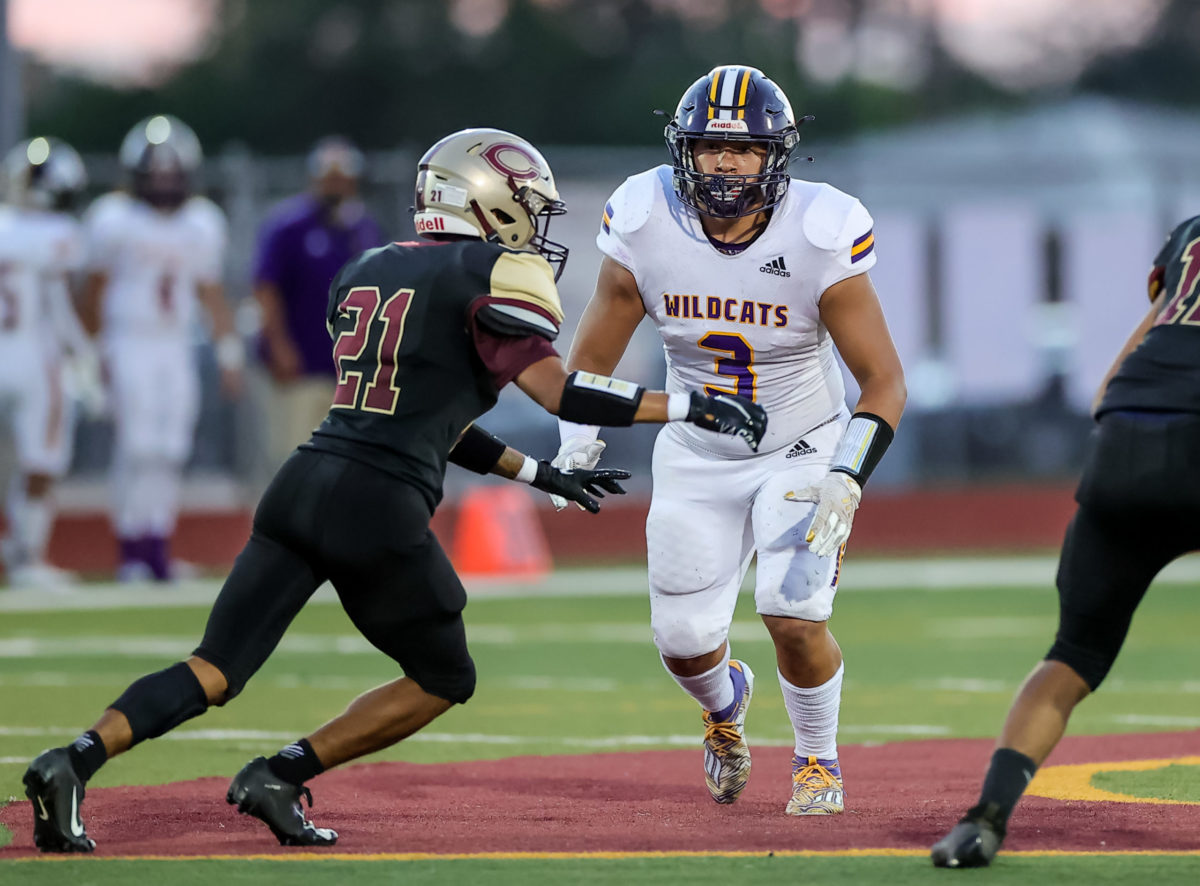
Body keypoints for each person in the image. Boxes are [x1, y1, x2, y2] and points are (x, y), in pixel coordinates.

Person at [21, 127, 766, 853]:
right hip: (378, 501)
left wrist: (540, 473)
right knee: (445, 675)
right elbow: (561, 392)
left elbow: (431, 416)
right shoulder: (489, 274)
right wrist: (690, 403)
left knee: (214, 669)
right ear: (487, 200)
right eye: (526, 205)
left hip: (302, 483)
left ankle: (73, 761)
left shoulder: (368, 266)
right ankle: (281, 774)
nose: (533, 225)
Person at [553, 65, 906, 815]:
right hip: (696, 450)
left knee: (792, 610)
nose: (724, 164)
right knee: (682, 641)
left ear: (776, 156)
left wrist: (847, 473)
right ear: (684, 150)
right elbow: (590, 363)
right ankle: (724, 707)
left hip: (802, 440)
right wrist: (577, 436)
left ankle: (817, 762)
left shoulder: (820, 230)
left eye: (743, 149)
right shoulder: (644, 216)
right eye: (710, 147)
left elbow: (883, 381)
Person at [931, 214, 1200, 867]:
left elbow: (1121, 369)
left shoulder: (1191, 231)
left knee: (1072, 656)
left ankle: (983, 821)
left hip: (1125, 436)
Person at [79, 115, 244, 582]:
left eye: (172, 175)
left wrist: (229, 351)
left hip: (175, 342)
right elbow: (93, 293)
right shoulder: (113, 219)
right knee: (138, 447)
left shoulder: (201, 222)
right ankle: (132, 547)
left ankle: (157, 544)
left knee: (171, 447)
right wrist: (89, 357)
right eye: (155, 175)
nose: (164, 184)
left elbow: (210, 291)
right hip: (127, 338)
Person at [0, 136, 100, 589]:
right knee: (41, 460)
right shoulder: (59, 234)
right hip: (34, 358)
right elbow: (59, 310)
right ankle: (26, 557)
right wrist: (87, 359)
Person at [252, 136, 386, 471]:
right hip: (302, 364)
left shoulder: (363, 228)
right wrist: (279, 346)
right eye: (330, 176)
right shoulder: (290, 226)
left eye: (342, 177)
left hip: (350, 370)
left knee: (346, 462)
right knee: (295, 458)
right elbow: (266, 288)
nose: (336, 184)